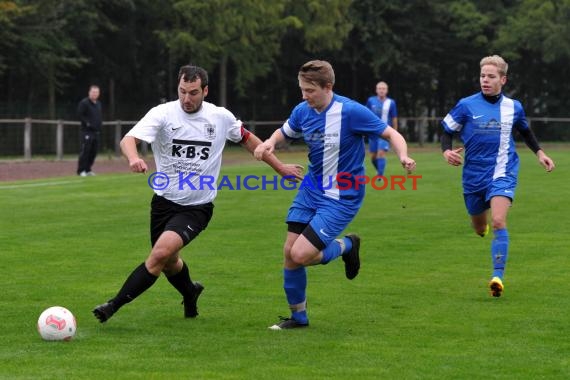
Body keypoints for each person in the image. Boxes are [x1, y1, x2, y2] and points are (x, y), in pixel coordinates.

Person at [93, 65, 302, 323]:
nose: (186, 99)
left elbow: (250, 141)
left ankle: (112, 306)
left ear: (205, 90)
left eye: (193, 93)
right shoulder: (163, 113)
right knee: (170, 262)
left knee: (159, 255)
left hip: (197, 208)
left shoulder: (220, 117)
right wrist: (133, 157)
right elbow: (128, 139)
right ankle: (190, 292)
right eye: (182, 92)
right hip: (163, 203)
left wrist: (280, 167)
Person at [254, 60, 416, 329]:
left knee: (301, 255)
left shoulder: (351, 111)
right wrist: (269, 143)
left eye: (310, 90)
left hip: (343, 194)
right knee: (289, 252)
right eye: (302, 90)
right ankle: (298, 318)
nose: (304, 96)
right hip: (311, 188)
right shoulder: (302, 111)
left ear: (328, 87)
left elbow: (391, 134)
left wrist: (404, 155)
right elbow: (283, 133)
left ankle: (347, 245)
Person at [441, 55, 555, 298]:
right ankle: (480, 229)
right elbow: (447, 130)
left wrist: (540, 154)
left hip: (503, 172)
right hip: (473, 176)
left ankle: (497, 277)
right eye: (482, 76)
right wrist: (446, 151)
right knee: (480, 226)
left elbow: (525, 131)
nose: (485, 80)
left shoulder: (514, 107)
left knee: (499, 222)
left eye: (491, 77)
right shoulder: (466, 105)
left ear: (502, 80)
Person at [365, 81, 398, 177]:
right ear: (376, 90)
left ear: (387, 90)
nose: (381, 90)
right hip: (373, 132)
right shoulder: (371, 101)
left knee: (381, 153)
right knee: (373, 156)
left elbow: (394, 118)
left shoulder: (391, 102)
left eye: (383, 89)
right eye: (379, 88)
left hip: (385, 132)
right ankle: (379, 170)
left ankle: (380, 176)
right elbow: (366, 115)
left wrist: (394, 133)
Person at [77, 85, 102, 176]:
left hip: (96, 132)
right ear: (89, 92)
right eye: (93, 92)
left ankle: (88, 169)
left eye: (96, 92)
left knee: (93, 151)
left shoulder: (98, 104)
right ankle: (81, 170)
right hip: (87, 132)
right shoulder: (84, 103)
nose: (95, 94)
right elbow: (80, 115)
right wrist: (88, 123)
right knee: (85, 151)